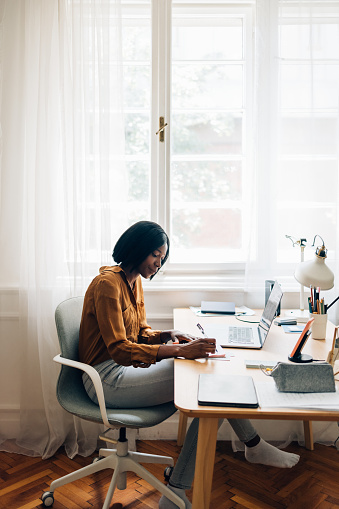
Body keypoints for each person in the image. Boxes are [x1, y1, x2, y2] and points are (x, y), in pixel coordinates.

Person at [79, 221, 300, 509]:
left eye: (162, 258)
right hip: (105, 379)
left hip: (122, 371)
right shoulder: (109, 284)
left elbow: (139, 333)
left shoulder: (133, 281)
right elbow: (120, 350)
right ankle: (192, 481)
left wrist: (169, 335)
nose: (158, 264)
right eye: (154, 256)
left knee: (213, 385)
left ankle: (241, 454)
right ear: (137, 249)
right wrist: (179, 350)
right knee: (211, 384)